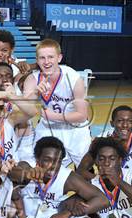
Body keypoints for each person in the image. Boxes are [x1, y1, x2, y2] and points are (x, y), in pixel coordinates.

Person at [77, 105, 132, 206]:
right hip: (111, 181)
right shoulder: (101, 140)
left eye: (129, 121)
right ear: (112, 123)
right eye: (120, 121)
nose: (125, 125)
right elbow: (81, 170)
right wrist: (98, 179)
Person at [23, 39, 91, 169]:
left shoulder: (73, 78)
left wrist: (54, 116)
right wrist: (36, 93)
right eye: (42, 58)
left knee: (84, 170)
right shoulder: (32, 79)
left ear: (59, 58)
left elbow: (82, 115)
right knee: (43, 168)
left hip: (75, 128)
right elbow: (24, 108)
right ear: (37, 60)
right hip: (49, 127)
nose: (46, 62)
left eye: (50, 57)